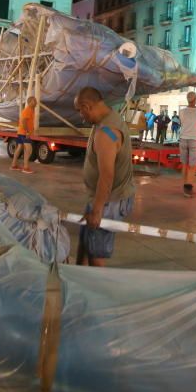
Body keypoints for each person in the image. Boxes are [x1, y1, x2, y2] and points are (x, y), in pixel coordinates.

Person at [73, 87, 135, 267]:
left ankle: (95, 290)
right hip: (100, 197)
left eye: (80, 110)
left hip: (109, 200)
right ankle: (78, 279)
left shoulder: (106, 133)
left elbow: (107, 176)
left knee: (96, 253)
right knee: (86, 244)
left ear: (87, 106)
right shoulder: (107, 118)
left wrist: (98, 210)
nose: (81, 116)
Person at [10, 96, 38, 173]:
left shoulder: (31, 110)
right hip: (24, 133)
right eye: (34, 101)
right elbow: (24, 121)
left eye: (35, 100)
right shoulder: (28, 110)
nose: (36, 102)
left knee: (19, 148)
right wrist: (28, 132)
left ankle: (14, 165)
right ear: (30, 102)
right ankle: (26, 168)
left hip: (21, 132)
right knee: (28, 149)